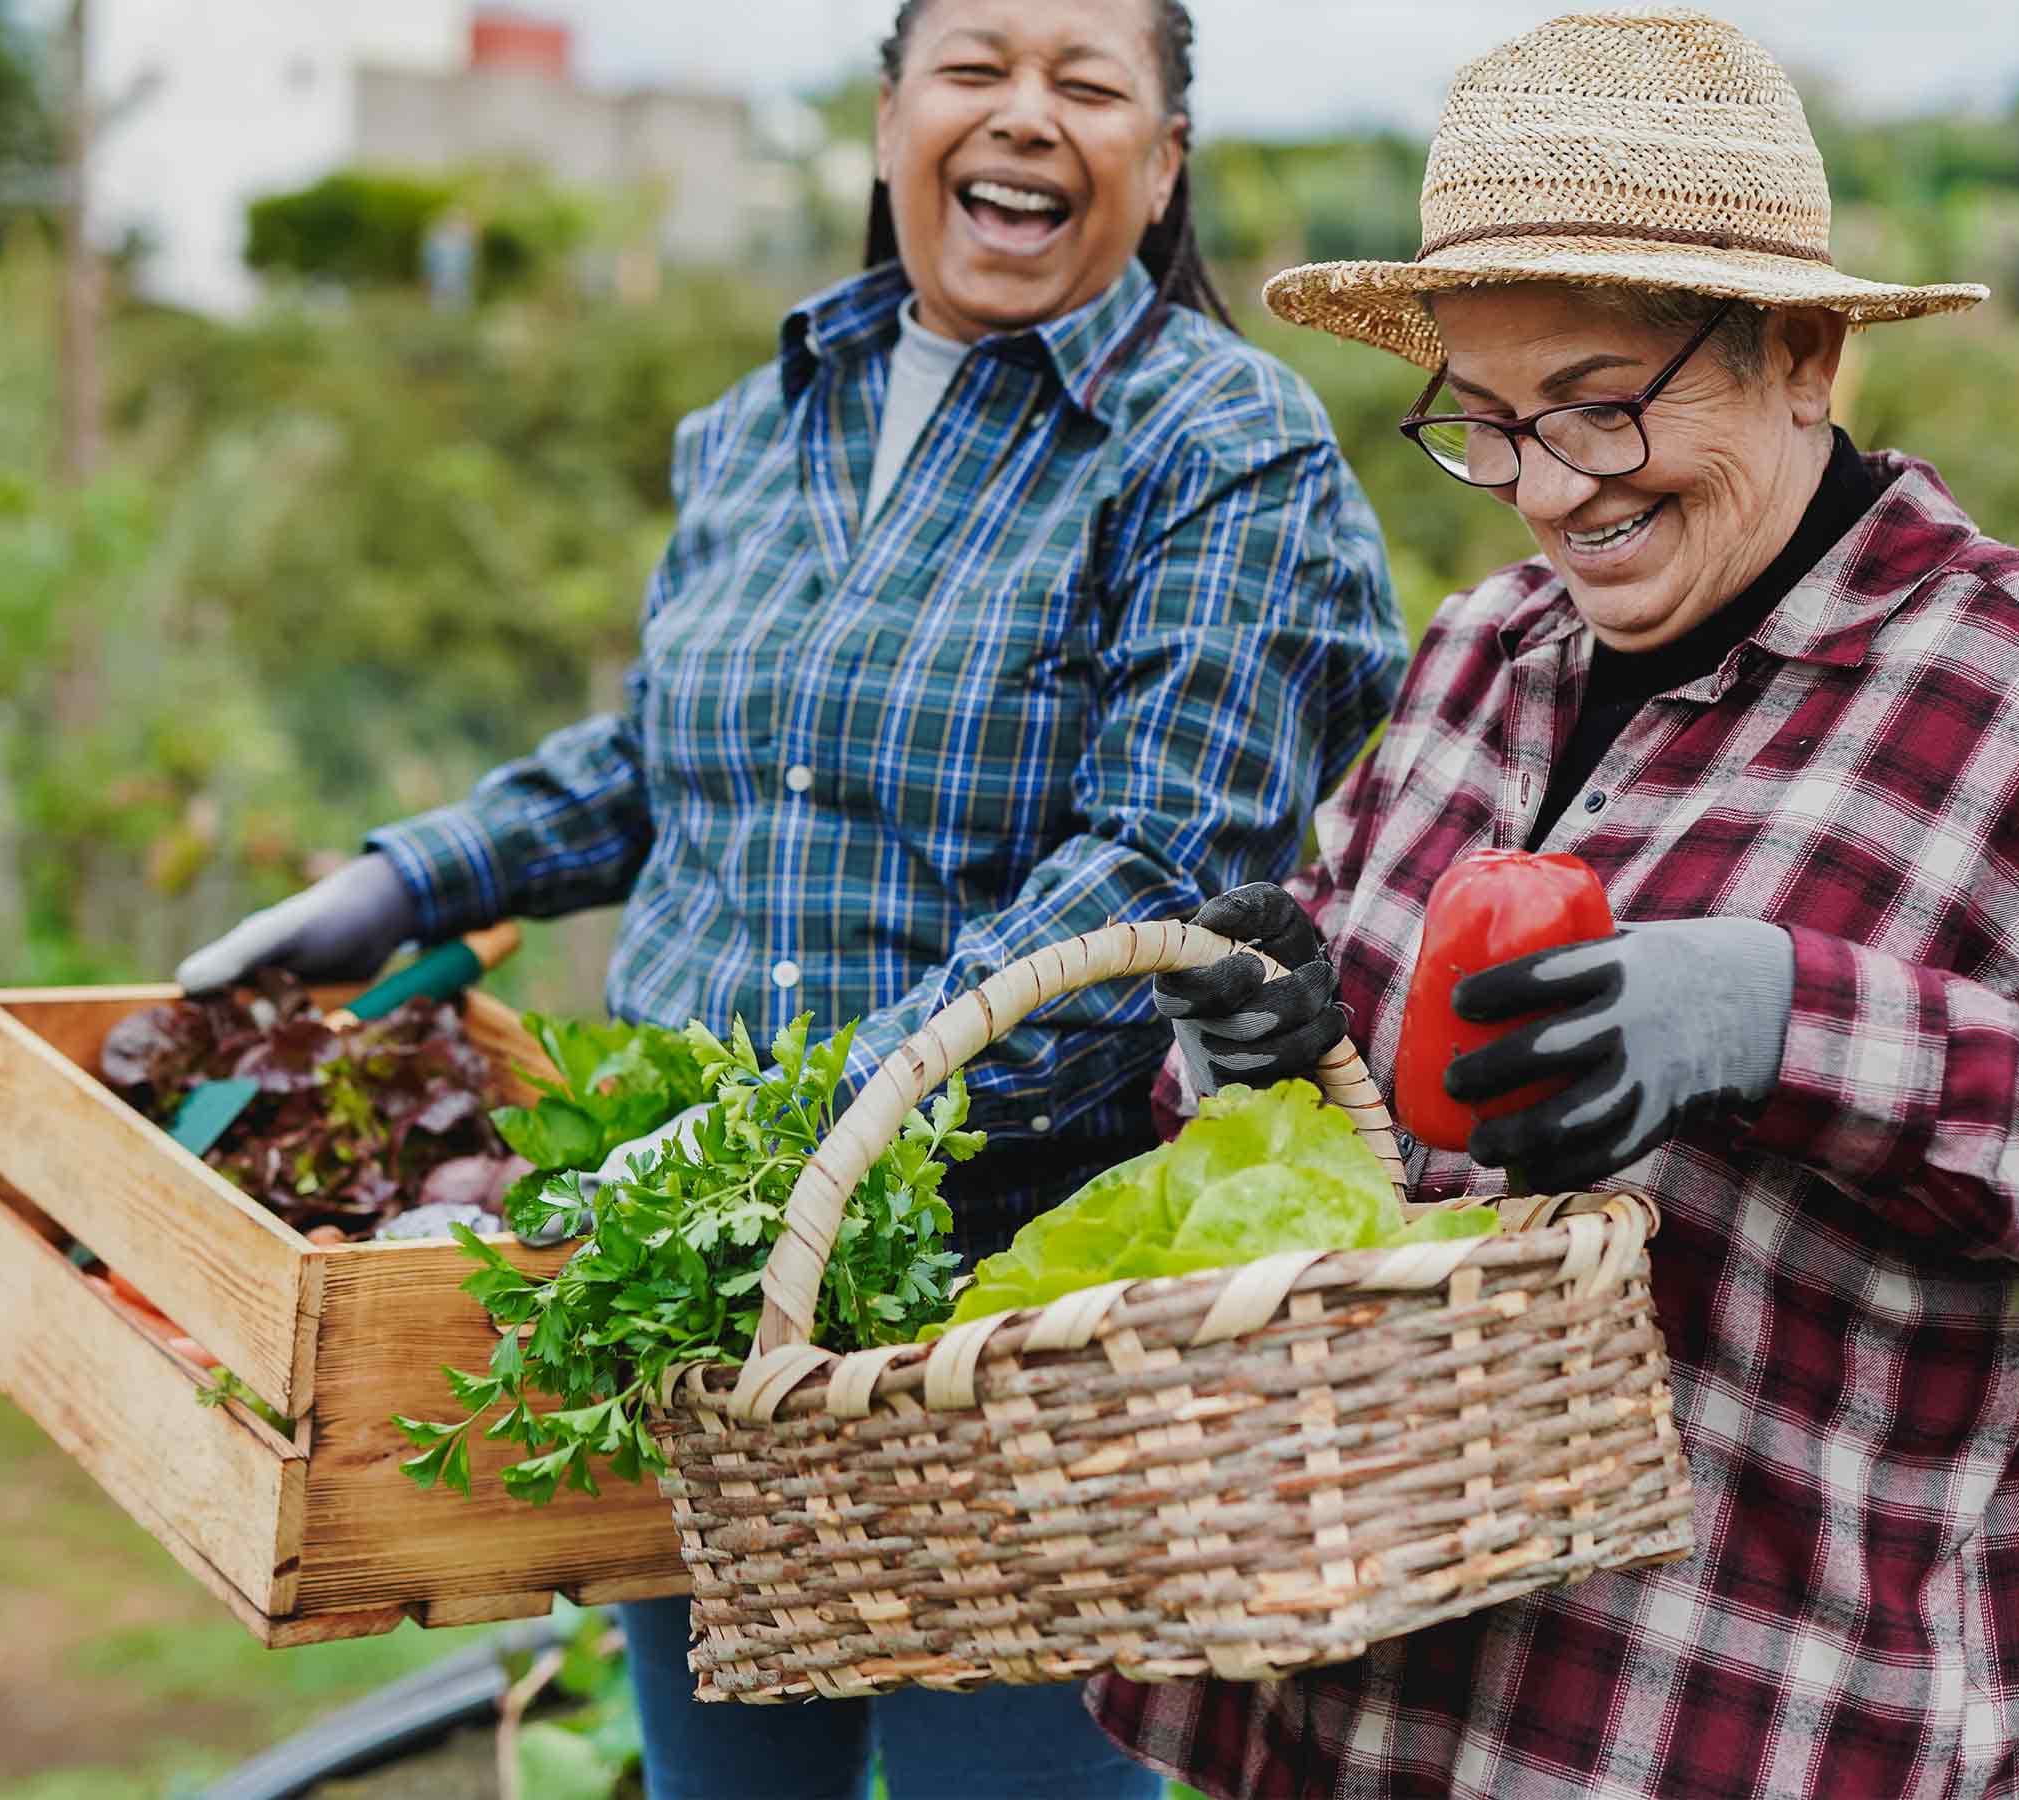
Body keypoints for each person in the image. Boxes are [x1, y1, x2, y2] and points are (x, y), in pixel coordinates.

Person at [1115, 11, 2019, 1797]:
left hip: (1735, 1730)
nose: (1551, 489)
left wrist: (1795, 1022)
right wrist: (1267, 1051)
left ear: (1803, 351)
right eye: (1486, 421)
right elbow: (1376, 1145)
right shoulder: (1481, 658)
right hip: (1361, 1722)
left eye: (1608, 404)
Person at [175, 0, 1406, 1793]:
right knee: (724, 1782)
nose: (1025, 118)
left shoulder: (1228, 452)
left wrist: (778, 1160)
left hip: (988, 1312)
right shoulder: (764, 418)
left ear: (1166, 158)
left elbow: (1158, 867)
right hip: (688, 1292)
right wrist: (399, 880)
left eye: (1089, 81)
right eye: (976, 66)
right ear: (892, 111)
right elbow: (680, 746)